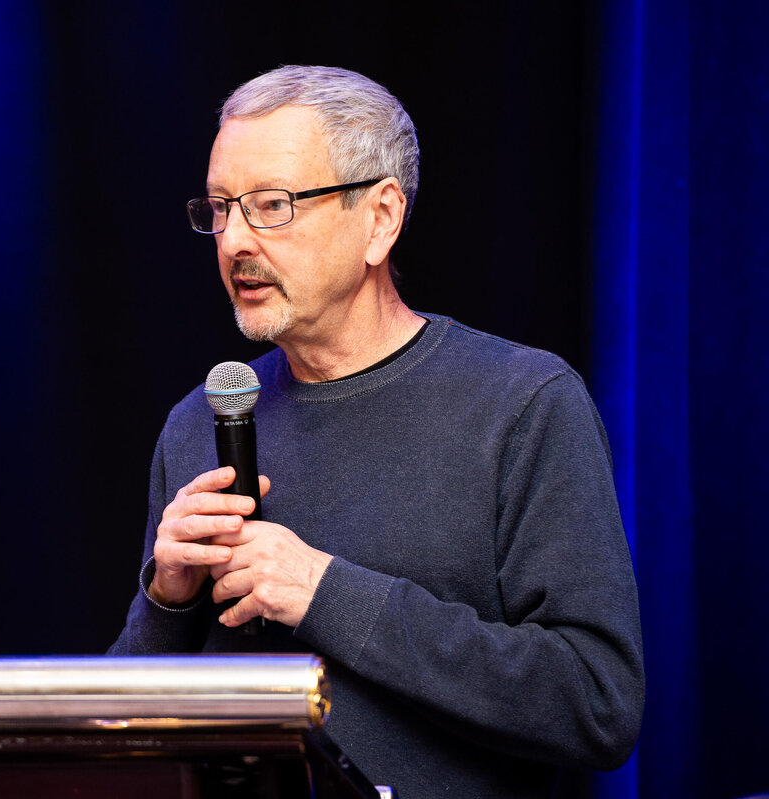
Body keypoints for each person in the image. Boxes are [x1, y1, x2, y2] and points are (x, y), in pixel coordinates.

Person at [108, 65, 643, 798]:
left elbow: (596, 704)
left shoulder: (523, 403)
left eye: (272, 205)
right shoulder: (200, 420)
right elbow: (122, 731)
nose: (233, 240)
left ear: (381, 219)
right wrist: (168, 600)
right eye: (222, 207)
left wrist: (323, 591)